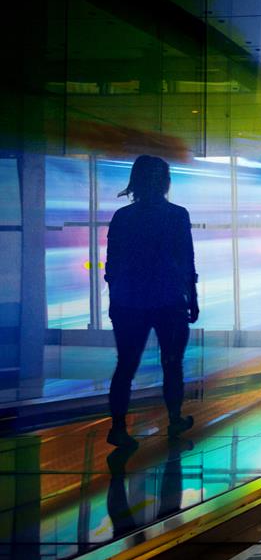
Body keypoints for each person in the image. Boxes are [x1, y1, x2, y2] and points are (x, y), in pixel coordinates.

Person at [104, 155, 199, 448]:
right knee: (172, 363)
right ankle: (174, 420)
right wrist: (192, 297)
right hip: (169, 300)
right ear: (165, 183)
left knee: (125, 365)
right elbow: (186, 259)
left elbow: (112, 265)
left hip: (128, 302)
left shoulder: (122, 217)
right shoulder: (177, 215)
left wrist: (115, 297)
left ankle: (118, 428)